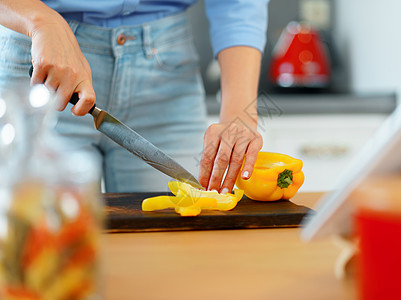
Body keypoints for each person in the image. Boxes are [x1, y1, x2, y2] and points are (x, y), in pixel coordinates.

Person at [0, 0, 269, 193]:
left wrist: (238, 113)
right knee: (38, 254)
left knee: (176, 253)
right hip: (45, 63)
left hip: (169, 77)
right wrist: (39, 19)